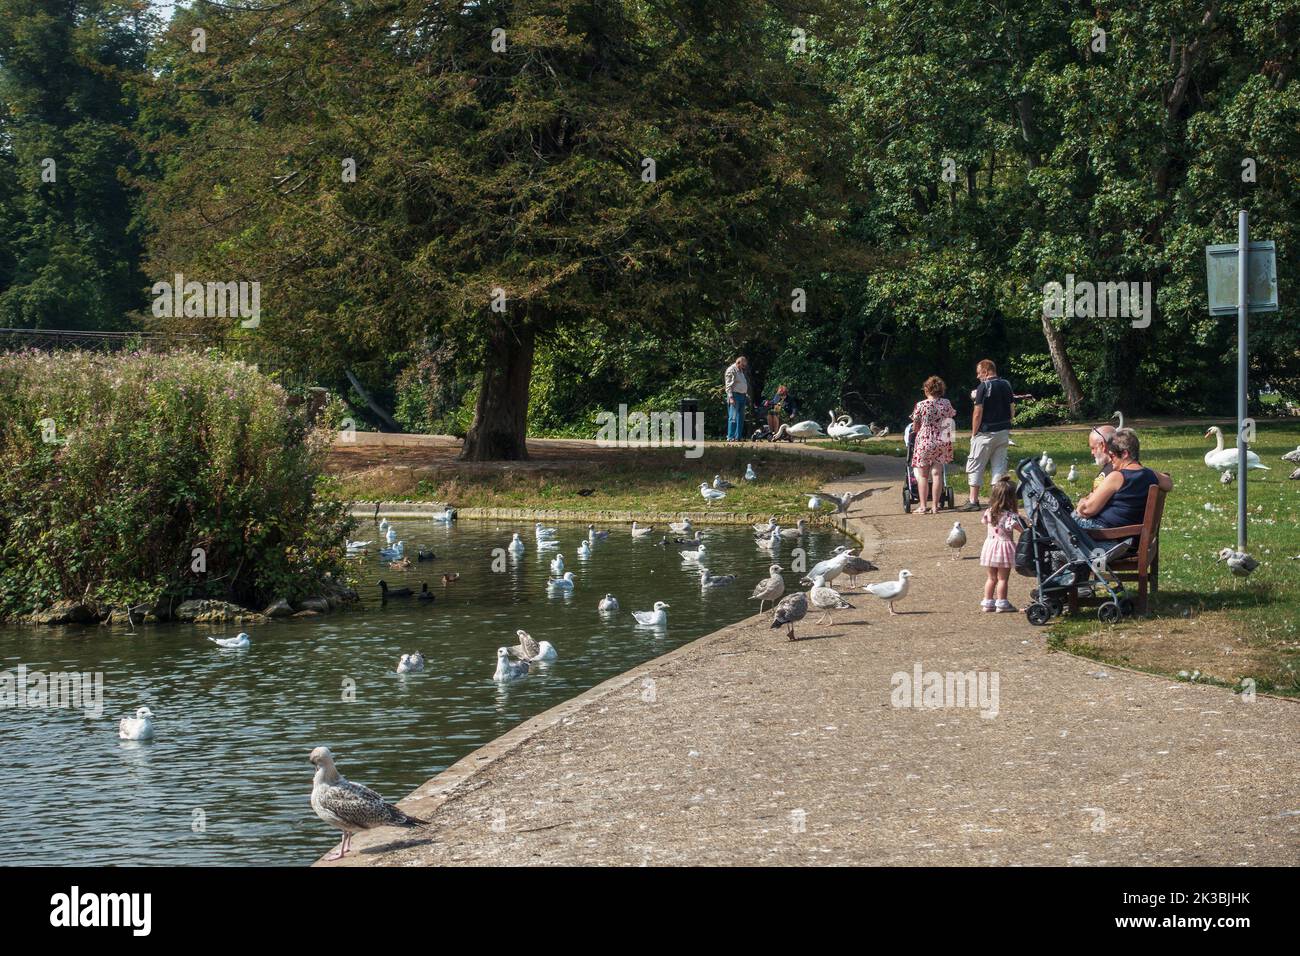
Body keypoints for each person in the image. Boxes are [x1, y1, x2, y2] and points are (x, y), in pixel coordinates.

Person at [1073, 429, 1173, 530]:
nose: (1111, 460)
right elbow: (1169, 483)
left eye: (1112, 455)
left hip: (1105, 533)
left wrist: (1082, 503)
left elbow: (1087, 510)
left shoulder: (1117, 477)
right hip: (1131, 533)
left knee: (1061, 523)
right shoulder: (1151, 475)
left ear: (1125, 454)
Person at [962, 358, 1015, 512]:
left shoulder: (983, 387)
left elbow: (977, 413)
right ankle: (997, 501)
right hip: (1003, 431)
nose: (978, 376)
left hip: (985, 433)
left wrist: (973, 433)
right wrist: (1007, 423)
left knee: (975, 464)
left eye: (979, 373)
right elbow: (1012, 409)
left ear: (985, 371)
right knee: (999, 466)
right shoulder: (1007, 384)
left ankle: (973, 500)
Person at [909, 375, 956, 515]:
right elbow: (949, 421)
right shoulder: (946, 403)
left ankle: (923, 506)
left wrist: (916, 431)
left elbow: (915, 425)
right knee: (937, 474)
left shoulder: (921, 405)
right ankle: (935, 506)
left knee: (923, 475)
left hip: (925, 441)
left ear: (926, 389)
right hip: (941, 440)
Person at [979, 475, 1021, 612]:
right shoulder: (1010, 516)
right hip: (1004, 548)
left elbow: (985, 522)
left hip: (990, 546)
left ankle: (988, 602)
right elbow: (1022, 529)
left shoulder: (989, 512)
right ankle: (1002, 603)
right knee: (1003, 579)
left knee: (991, 578)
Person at [724, 355, 750, 443]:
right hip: (735, 396)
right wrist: (730, 397)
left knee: (740, 418)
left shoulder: (741, 371)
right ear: (738, 363)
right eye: (743, 365)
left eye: (744, 366)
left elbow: (742, 383)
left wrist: (745, 394)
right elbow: (728, 386)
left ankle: (737, 437)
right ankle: (730, 437)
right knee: (733, 417)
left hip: (742, 396)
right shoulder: (731, 370)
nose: (744, 367)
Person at [1087, 423, 1117, 494]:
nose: (1092, 452)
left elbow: (1093, 503)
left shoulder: (1115, 470)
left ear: (1103, 445)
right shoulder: (1114, 466)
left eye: (1093, 448)